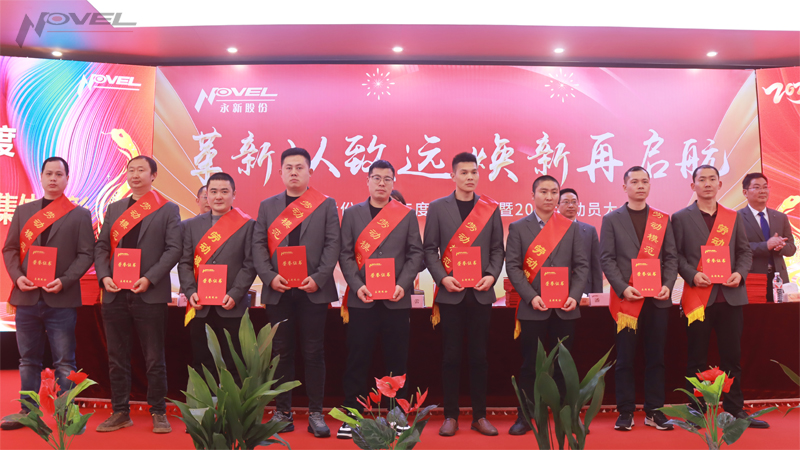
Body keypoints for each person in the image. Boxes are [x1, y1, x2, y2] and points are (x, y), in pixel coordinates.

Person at [1, 157, 95, 431]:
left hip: (61, 299)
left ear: (67, 179)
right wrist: (18, 277)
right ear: (41, 177)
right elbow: (10, 249)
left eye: (59, 174)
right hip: (27, 298)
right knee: (27, 360)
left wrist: (64, 281)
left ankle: (66, 414)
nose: (53, 178)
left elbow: (86, 254)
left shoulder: (79, 215)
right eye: (49, 174)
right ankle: (27, 412)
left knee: (65, 361)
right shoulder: (24, 212)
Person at [252, 148, 341, 438]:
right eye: (288, 167)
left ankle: (316, 413)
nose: (294, 172)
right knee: (281, 352)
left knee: (314, 352)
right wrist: (269, 277)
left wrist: (318, 278)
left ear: (310, 172)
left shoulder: (326, 205)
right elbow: (258, 246)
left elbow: (333, 244)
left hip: (313, 290)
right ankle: (283, 412)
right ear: (280, 173)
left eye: (299, 167)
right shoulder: (267, 206)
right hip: (278, 290)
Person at [672, 165, 767, 428]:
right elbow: (675, 255)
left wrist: (740, 273)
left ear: (720, 184)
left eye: (712, 179)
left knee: (732, 357)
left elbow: (744, 252)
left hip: (730, 297)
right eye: (702, 179)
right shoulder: (680, 218)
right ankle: (697, 409)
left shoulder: (732, 217)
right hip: (698, 298)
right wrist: (692, 274)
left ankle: (735, 409)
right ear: (693, 186)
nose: (707, 184)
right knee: (696, 358)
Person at [94, 155, 182, 434]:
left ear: (153, 175)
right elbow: (101, 246)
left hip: (149, 293)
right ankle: (120, 411)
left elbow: (174, 249)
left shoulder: (168, 209)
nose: (135, 175)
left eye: (141, 170)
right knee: (116, 357)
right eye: (131, 170)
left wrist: (149, 278)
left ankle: (158, 411)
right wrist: (104, 276)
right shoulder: (115, 208)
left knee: (154, 357)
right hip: (115, 293)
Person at [336, 160, 423, 439]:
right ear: (368, 181)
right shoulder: (352, 214)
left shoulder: (406, 215)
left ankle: (397, 416)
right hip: (363, 299)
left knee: (397, 359)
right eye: (376, 178)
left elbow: (415, 254)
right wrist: (357, 285)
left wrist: (402, 284)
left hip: (396, 299)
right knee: (357, 358)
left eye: (387, 178)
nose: (382, 183)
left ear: (393, 182)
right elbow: (345, 254)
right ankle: (352, 415)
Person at [423, 152, 504, 437]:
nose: (470, 177)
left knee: (479, 356)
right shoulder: (437, 207)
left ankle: (480, 416)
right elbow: (429, 249)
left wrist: (491, 275)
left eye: (474, 172)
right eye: (464, 172)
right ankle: (451, 416)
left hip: (480, 293)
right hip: (451, 294)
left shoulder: (490, 208)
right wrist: (442, 278)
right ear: (453, 176)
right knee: (451, 356)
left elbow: (498, 249)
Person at [506, 175, 588, 435]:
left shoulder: (570, 227)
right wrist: (531, 296)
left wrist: (574, 295)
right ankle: (525, 416)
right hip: (533, 308)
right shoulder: (518, 228)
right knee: (531, 364)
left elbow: (582, 266)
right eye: (544, 191)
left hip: (565, 308)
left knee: (565, 366)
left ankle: (568, 416)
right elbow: (513, 267)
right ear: (533, 196)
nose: (550, 196)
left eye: (554, 192)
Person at [600, 166, 678, 431]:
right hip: (628, 300)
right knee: (625, 357)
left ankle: (654, 410)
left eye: (645, 181)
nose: (640, 186)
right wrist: (622, 288)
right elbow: (607, 259)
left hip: (657, 300)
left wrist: (668, 284)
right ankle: (625, 411)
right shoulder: (612, 219)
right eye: (634, 182)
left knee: (656, 357)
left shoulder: (661, 219)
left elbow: (671, 257)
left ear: (650, 185)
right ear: (625, 187)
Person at [178, 172, 256, 382]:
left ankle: (233, 404)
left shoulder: (248, 225)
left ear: (234, 194)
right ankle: (204, 403)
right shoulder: (192, 225)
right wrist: (190, 291)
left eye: (224, 191)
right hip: (200, 305)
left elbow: (250, 264)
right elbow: (184, 263)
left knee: (234, 363)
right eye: (213, 192)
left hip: (231, 305)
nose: (218, 196)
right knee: (202, 362)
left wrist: (235, 294)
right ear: (207, 195)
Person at [737, 173, 795, 302]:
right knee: (756, 313)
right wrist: (766, 245)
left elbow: (792, 248)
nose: (763, 191)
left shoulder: (780, 217)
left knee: (782, 313)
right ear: (745, 192)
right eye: (757, 187)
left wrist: (781, 246)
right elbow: (736, 248)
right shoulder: (737, 218)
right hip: (753, 278)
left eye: (765, 187)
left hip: (779, 278)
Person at [558, 188, 603, 294]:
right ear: (557, 205)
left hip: (585, 288)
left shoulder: (589, 230)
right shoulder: (550, 230)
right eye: (566, 202)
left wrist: (597, 294)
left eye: (574, 202)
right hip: (558, 286)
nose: (571, 205)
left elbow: (596, 266)